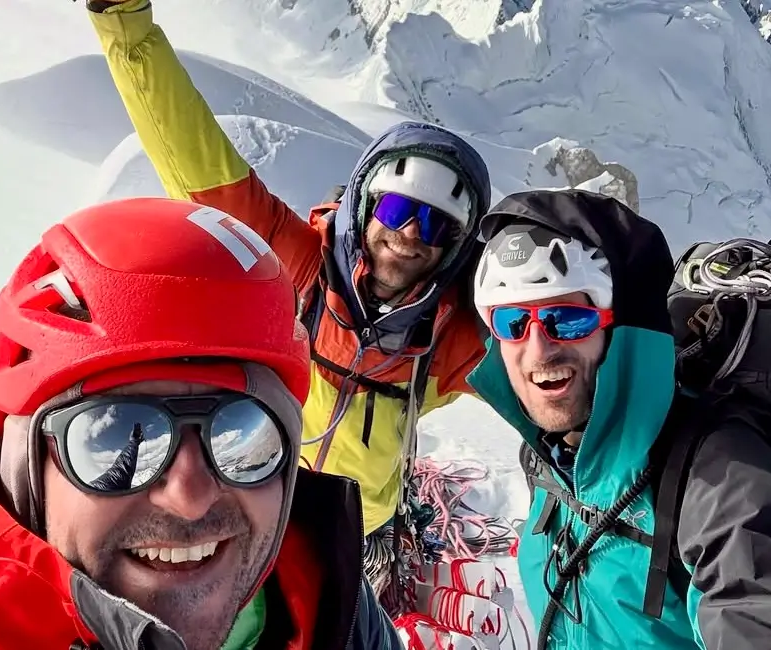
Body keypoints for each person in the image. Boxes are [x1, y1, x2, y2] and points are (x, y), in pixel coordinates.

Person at [85, 0, 493, 590]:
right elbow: (194, 158)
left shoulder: (447, 339)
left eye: (434, 226)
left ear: (455, 247)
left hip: (353, 525)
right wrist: (125, 23)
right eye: (400, 210)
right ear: (365, 206)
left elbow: (547, 362)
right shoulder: (297, 268)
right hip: (253, 500)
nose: (409, 237)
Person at [0, 197, 400, 650]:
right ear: (23, 466)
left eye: (242, 434)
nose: (190, 498)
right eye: (116, 435)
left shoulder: (331, 594)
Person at [466, 188, 771, 649]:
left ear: (620, 327)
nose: (538, 350)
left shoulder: (719, 479)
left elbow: (761, 617)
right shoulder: (551, 452)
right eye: (512, 323)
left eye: (568, 318)